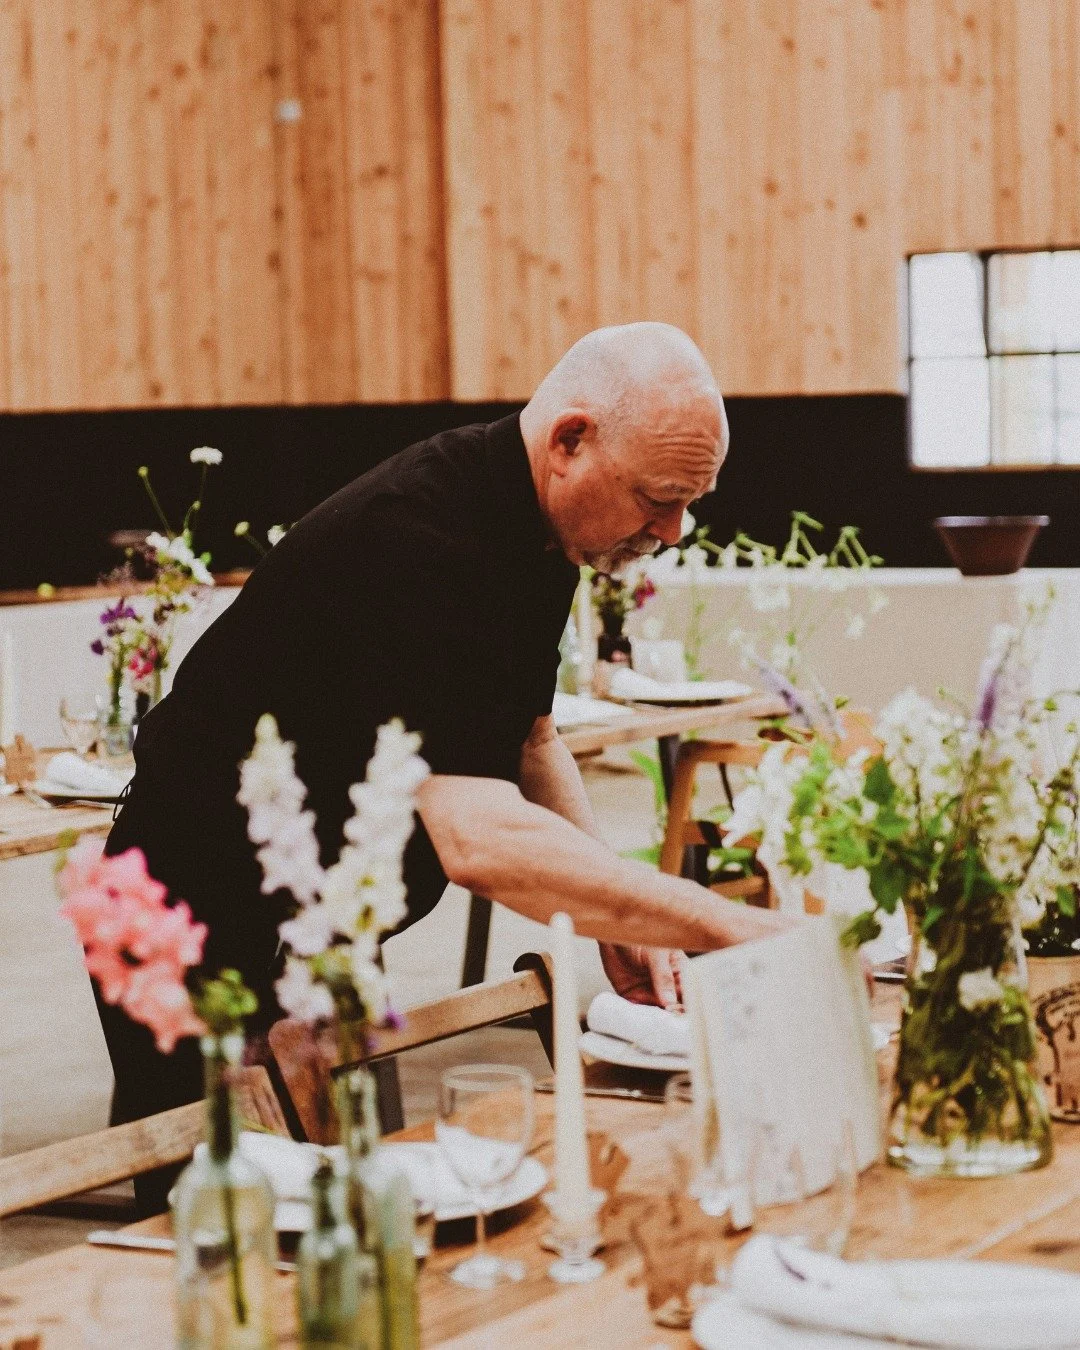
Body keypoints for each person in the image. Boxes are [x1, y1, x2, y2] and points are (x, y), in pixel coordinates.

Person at [100, 322, 787, 1203]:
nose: (676, 529)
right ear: (570, 441)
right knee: (220, 1224)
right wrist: (714, 921)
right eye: (659, 496)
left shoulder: (548, 535)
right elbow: (476, 841)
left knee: (357, 1207)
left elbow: (529, 744)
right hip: (184, 908)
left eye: (692, 500)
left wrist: (620, 924)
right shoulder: (416, 535)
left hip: (322, 919)